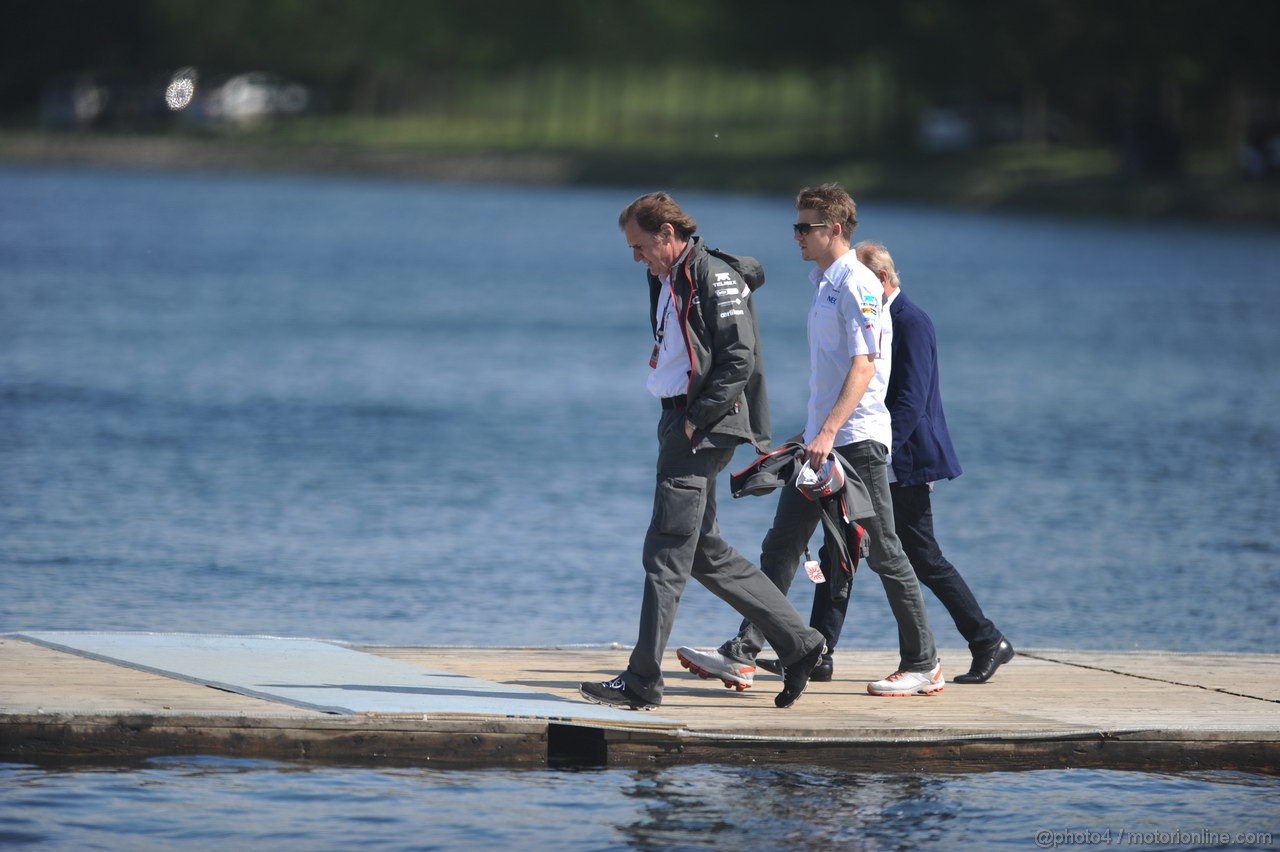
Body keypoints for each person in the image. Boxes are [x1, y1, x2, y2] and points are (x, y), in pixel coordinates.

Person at [676, 184, 943, 697]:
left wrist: (827, 431)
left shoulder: (859, 284)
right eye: (796, 225)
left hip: (855, 442)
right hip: (821, 443)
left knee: (885, 550)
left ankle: (923, 662)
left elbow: (865, 366)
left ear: (833, 230)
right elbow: (834, 372)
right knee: (781, 544)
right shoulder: (824, 283)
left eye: (804, 227)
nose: (795, 235)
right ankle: (744, 653)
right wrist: (807, 433)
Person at [578, 192, 828, 712]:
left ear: (668, 234)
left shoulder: (712, 276)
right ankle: (801, 643)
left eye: (640, 245)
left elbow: (739, 357)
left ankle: (642, 681)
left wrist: (693, 422)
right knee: (704, 552)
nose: (635, 257)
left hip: (702, 430)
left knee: (665, 554)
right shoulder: (667, 275)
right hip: (680, 423)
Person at [855, 240, 1014, 683]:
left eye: (864, 284)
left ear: (883, 280)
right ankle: (818, 649)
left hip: (903, 460)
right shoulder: (878, 320)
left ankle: (987, 640)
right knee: (842, 551)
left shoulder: (912, 322)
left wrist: (879, 450)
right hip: (877, 455)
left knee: (923, 556)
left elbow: (911, 400)